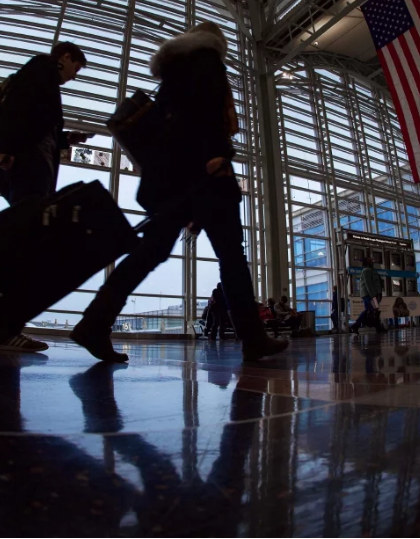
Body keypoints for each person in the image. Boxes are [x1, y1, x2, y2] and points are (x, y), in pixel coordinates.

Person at [69, 22, 288, 363]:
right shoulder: (207, 59)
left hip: (171, 181)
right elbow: (207, 114)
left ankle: (94, 322)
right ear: (216, 41)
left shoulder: (172, 73)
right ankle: (253, 337)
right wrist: (218, 154)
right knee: (231, 256)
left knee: (150, 252)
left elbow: (174, 127)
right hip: (208, 176)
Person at [0, 42, 89, 352]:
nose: (74, 75)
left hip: (30, 172)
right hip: (29, 173)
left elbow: (37, 127)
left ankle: (0, 325)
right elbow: (16, 107)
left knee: (20, 247)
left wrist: (67, 139)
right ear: (65, 58)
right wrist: (7, 149)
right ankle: (4, 329)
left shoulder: (42, 79)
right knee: (20, 250)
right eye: (76, 67)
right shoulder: (42, 69)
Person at [350, 257, 386, 334]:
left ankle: (377, 327)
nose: (372, 261)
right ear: (366, 262)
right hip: (369, 295)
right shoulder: (366, 271)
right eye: (370, 260)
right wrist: (373, 295)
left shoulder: (372, 271)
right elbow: (368, 284)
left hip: (374, 295)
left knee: (375, 310)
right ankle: (356, 325)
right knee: (369, 310)